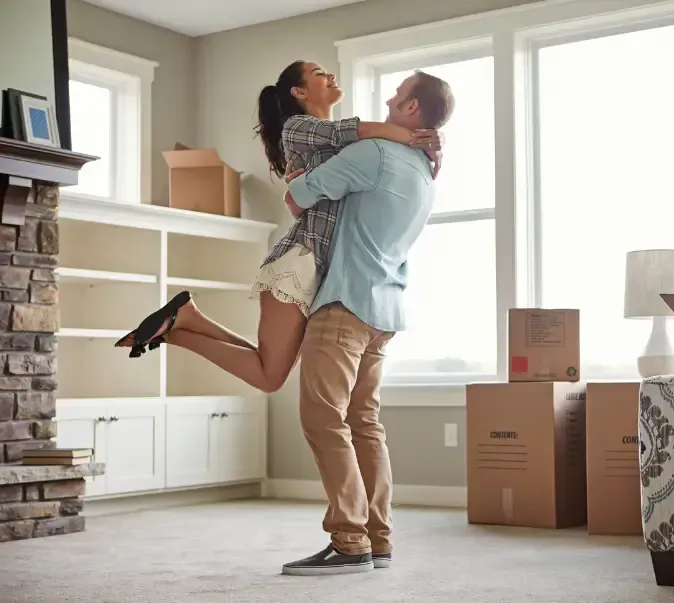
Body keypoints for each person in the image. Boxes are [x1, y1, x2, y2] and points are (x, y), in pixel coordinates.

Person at [113, 61, 442, 395]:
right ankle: (177, 330)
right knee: (270, 376)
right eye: (318, 74)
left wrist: (431, 141)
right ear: (299, 92)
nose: (329, 76)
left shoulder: (345, 148)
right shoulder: (298, 127)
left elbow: (329, 186)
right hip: (298, 264)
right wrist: (416, 136)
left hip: (318, 270)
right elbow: (361, 131)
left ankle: (186, 319)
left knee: (269, 367)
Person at [279, 70, 455, 576]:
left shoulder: (373, 154)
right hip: (384, 311)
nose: (389, 98)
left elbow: (297, 199)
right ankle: (377, 539)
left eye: (398, 94)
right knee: (364, 424)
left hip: (344, 305)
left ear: (413, 109)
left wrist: (301, 181)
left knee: (323, 419)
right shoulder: (424, 169)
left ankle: (349, 541)